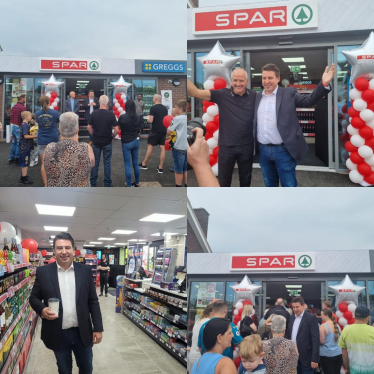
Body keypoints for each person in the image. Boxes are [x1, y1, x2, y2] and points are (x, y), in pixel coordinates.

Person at [29, 232, 103, 374]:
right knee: (64, 370)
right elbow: (33, 298)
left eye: (67, 248)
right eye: (59, 248)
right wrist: (42, 310)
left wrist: (98, 327)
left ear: (74, 250)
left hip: (82, 332)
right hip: (58, 333)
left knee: (87, 369)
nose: (64, 252)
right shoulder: (43, 272)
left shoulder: (85, 271)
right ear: (54, 251)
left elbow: (93, 301)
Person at [254, 63, 335, 187]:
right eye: (264, 78)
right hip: (263, 150)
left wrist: (323, 84)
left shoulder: (288, 93)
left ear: (278, 78)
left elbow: (309, 101)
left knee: (289, 185)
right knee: (269, 185)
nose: (266, 81)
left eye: (270, 78)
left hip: (283, 150)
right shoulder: (257, 97)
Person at [187, 68, 257, 187]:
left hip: (246, 146)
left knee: (246, 182)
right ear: (231, 80)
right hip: (226, 146)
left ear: (247, 81)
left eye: (241, 80)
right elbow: (195, 92)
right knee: (224, 182)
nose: (238, 83)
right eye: (235, 80)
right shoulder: (222, 94)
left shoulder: (254, 95)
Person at [44, 112, 94, 187]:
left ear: (59, 129)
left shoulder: (49, 148)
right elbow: (91, 165)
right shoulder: (86, 148)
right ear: (77, 130)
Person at [87, 95, 119, 187]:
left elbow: (89, 127)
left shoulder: (94, 113)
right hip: (107, 141)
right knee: (107, 162)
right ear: (108, 103)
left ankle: (93, 183)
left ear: (99, 103)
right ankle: (107, 184)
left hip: (96, 141)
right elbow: (116, 129)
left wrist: (93, 134)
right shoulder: (111, 114)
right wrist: (113, 136)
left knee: (95, 162)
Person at [285, 296, 319, 374]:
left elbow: (315, 339)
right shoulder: (291, 318)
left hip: (306, 358)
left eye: (297, 307)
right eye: (293, 307)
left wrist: (315, 359)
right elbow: (288, 334)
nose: (295, 309)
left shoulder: (311, 318)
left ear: (303, 306)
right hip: (292, 357)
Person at [338, 306, 374, 374]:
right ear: (367, 318)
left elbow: (344, 354)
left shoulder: (345, 331)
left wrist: (348, 368)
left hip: (354, 370)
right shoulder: (373, 331)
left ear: (354, 316)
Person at [35, 95, 60, 187]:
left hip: (42, 139)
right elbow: (59, 122)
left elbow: (38, 123)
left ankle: (46, 184)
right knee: (54, 161)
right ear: (49, 102)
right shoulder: (55, 113)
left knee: (43, 163)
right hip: (53, 139)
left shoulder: (37, 113)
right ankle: (55, 182)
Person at [139, 94, 168, 173]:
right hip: (163, 130)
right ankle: (160, 167)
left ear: (155, 99)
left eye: (153, 98)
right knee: (162, 148)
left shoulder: (153, 108)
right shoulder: (165, 108)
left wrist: (148, 118)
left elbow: (151, 121)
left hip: (155, 130)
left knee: (150, 146)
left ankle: (144, 164)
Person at [117, 99, 142, 187]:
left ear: (126, 107)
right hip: (136, 141)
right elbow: (140, 130)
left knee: (128, 164)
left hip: (126, 142)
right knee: (135, 162)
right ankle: (137, 182)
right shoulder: (138, 116)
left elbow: (118, 128)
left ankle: (128, 185)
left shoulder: (122, 117)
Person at [167, 100, 187, 187]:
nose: (175, 109)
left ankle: (178, 187)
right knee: (185, 169)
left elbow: (169, 131)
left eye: (176, 107)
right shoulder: (187, 118)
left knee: (178, 170)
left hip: (178, 147)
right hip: (187, 147)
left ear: (181, 108)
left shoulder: (177, 119)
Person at [189, 304, 214, 372]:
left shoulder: (199, 320)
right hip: (199, 357)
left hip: (193, 355)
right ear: (213, 312)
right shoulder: (208, 323)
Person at [319, 308, 342, 374]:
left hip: (326, 355)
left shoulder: (322, 327)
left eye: (322, 315)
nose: (321, 316)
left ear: (326, 316)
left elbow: (322, 341)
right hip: (338, 353)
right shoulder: (337, 325)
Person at [19, 111, 37, 185]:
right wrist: (35, 136)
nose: (31, 117)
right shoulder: (25, 125)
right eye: (30, 116)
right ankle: (24, 178)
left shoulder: (25, 124)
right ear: (26, 117)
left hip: (24, 146)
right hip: (25, 147)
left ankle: (23, 176)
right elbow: (26, 136)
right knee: (25, 162)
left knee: (24, 162)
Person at [8, 93, 26, 164]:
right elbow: (24, 118)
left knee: (14, 143)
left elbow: (11, 117)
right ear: (22, 98)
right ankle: (17, 158)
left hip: (14, 126)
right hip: (19, 127)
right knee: (19, 143)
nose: (25, 99)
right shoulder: (22, 108)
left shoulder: (14, 107)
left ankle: (11, 157)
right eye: (25, 98)